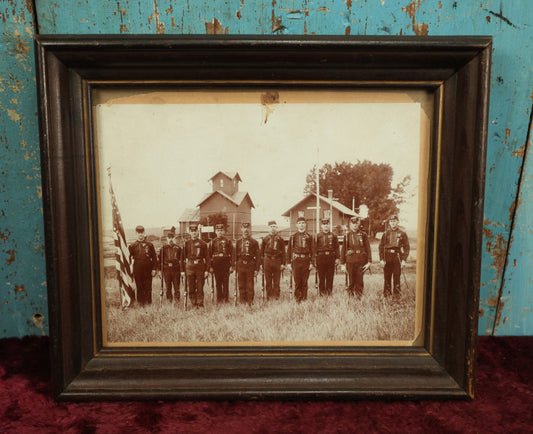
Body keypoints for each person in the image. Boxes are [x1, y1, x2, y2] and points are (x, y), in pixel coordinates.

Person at [379, 215, 410, 298]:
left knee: (397, 276)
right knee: (387, 276)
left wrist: (404, 260)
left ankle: (396, 295)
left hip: (397, 256)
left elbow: (407, 247)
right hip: (387, 256)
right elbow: (381, 247)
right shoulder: (385, 234)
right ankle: (386, 295)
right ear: (389, 223)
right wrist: (381, 259)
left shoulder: (402, 233)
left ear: (398, 222)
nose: (393, 223)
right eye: (391, 221)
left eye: (395, 221)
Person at [341, 216, 371, 298]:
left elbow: (368, 248)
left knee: (359, 281)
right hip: (350, 261)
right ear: (350, 224)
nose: (354, 225)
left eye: (356, 223)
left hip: (361, 260)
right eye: (352, 223)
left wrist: (369, 262)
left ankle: (358, 298)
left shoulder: (363, 235)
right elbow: (343, 250)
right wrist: (342, 264)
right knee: (350, 281)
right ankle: (350, 298)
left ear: (359, 223)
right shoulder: (347, 236)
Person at [287, 216, 315, 303]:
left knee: (304, 281)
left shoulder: (309, 237)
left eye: (303, 223)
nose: (301, 225)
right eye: (299, 223)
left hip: (306, 260)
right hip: (296, 260)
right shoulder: (293, 237)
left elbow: (313, 251)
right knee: (297, 281)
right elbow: (289, 251)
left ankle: (304, 299)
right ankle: (297, 299)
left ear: (305, 225)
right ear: (296, 225)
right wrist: (288, 263)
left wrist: (312, 263)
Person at [181, 223, 209, 308]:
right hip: (190, 267)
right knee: (191, 286)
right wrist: (182, 271)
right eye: (192, 231)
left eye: (195, 231)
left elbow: (207, 258)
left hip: (200, 266)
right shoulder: (186, 244)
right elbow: (182, 259)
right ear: (189, 232)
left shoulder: (203, 243)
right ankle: (193, 303)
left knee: (200, 286)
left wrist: (207, 270)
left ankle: (200, 303)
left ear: (198, 232)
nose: (194, 233)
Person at [128, 225, 158, 306]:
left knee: (148, 286)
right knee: (139, 286)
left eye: (142, 232)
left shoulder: (150, 245)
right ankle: (141, 303)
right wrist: (130, 267)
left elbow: (154, 258)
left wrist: (154, 269)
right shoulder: (132, 246)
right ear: (136, 233)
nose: (140, 234)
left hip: (148, 268)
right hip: (137, 268)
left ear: (144, 233)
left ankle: (148, 303)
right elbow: (129, 258)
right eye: (138, 233)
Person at [260, 220, 286, 300]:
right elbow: (261, 253)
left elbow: (283, 253)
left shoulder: (280, 239)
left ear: (277, 228)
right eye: (271, 227)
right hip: (267, 261)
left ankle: (276, 297)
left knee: (276, 281)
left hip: (277, 261)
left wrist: (283, 264)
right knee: (268, 281)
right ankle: (269, 297)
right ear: (268, 228)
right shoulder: (265, 239)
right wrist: (261, 264)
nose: (273, 229)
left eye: (274, 227)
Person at [235, 222, 260, 306]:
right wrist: (235, 267)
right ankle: (242, 301)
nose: (246, 230)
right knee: (241, 284)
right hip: (241, 265)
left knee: (250, 284)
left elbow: (258, 256)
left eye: (248, 228)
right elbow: (234, 256)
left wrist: (256, 269)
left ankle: (250, 301)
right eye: (244, 228)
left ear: (250, 229)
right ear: (241, 229)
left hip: (250, 265)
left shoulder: (254, 242)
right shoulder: (238, 242)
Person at [208, 223, 234, 304]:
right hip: (216, 265)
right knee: (218, 283)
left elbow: (232, 254)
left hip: (226, 264)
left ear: (224, 232)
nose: (220, 232)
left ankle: (226, 300)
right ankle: (219, 299)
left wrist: (232, 266)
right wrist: (210, 267)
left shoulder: (228, 241)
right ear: (215, 231)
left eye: (221, 230)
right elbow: (209, 255)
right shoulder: (212, 242)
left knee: (225, 283)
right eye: (218, 230)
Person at [316, 218, 340, 296]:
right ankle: (322, 293)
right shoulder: (318, 236)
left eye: (327, 224)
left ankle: (329, 293)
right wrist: (315, 259)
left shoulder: (333, 236)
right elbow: (314, 248)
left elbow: (337, 247)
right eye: (324, 224)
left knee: (330, 277)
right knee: (321, 277)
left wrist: (337, 258)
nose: (326, 226)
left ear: (329, 225)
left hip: (330, 257)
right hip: (321, 258)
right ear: (321, 226)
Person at [158, 229, 181, 303]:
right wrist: (159, 270)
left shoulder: (178, 248)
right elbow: (160, 260)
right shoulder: (163, 248)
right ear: (167, 239)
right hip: (166, 269)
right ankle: (169, 300)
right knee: (168, 286)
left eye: (172, 238)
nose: (171, 239)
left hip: (176, 269)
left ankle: (177, 301)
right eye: (169, 238)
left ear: (174, 239)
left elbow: (181, 259)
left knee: (176, 286)